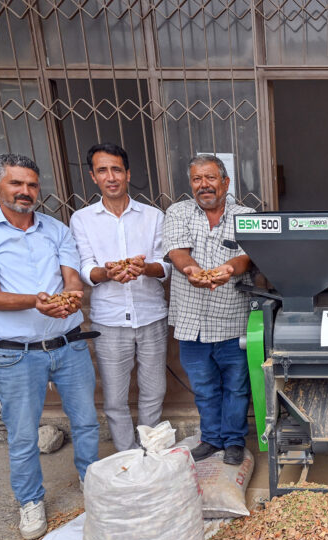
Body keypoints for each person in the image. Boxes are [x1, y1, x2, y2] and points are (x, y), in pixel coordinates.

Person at [0, 153, 99, 540]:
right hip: (16, 352)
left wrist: (70, 296)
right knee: (21, 434)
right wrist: (36, 300)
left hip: (68, 344)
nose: (26, 192)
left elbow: (71, 280)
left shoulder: (56, 229)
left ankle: (91, 483)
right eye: (16, 183)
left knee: (85, 420)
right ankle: (31, 502)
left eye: (32, 184)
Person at [70, 143, 169, 452]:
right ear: (93, 177)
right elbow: (85, 268)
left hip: (151, 314)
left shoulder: (153, 216)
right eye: (102, 170)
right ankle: (128, 456)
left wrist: (144, 267)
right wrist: (106, 273)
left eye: (116, 169)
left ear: (128, 174)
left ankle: (150, 451)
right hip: (109, 319)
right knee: (115, 398)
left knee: (154, 391)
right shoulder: (82, 219)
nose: (110, 177)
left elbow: (165, 264)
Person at [164, 154, 252, 466]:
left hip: (232, 320)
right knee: (203, 388)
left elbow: (248, 257)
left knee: (236, 388)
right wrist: (193, 272)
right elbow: (177, 252)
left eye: (210, 178)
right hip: (191, 322)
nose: (204, 185)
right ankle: (211, 439)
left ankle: (233, 441)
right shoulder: (178, 212)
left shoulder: (246, 215)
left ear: (225, 182)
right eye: (197, 179)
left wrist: (228, 268)